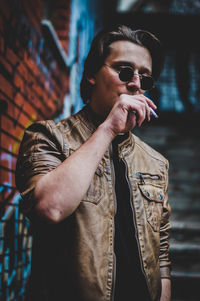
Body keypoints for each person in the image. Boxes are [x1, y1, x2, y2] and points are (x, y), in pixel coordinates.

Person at [15, 24, 171, 301]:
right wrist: (109, 128)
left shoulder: (156, 163)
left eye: (145, 78)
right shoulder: (47, 136)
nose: (135, 83)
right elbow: (49, 208)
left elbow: (161, 253)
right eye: (124, 71)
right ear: (90, 76)